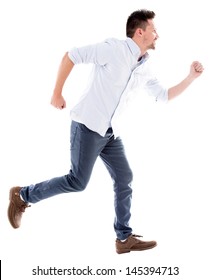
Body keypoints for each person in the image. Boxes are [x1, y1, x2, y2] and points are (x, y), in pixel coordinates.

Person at [8, 9, 204, 254]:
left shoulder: (146, 66)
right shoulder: (113, 49)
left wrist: (191, 78)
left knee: (124, 178)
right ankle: (23, 195)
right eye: (154, 30)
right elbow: (71, 56)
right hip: (88, 126)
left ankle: (124, 238)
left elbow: (163, 96)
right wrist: (57, 92)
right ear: (140, 31)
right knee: (77, 182)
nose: (158, 35)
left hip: (111, 133)